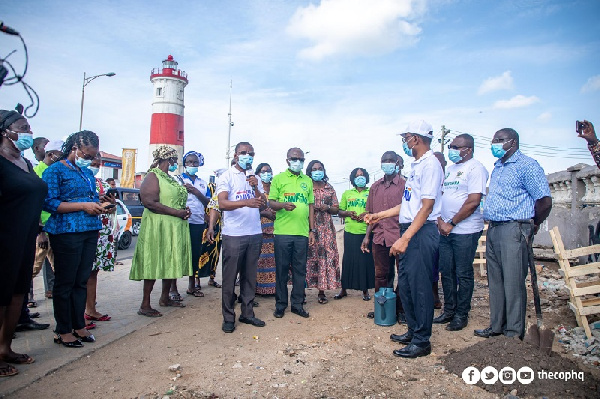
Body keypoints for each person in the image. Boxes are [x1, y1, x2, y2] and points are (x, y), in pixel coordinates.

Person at [366, 120, 443, 358]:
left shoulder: (430, 165)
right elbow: (408, 204)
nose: (405, 142)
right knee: (408, 285)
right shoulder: (417, 166)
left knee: (420, 288)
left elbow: (427, 207)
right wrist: (379, 215)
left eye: (406, 137)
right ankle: (413, 330)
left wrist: (405, 238)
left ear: (416, 139)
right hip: (410, 228)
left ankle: (422, 341)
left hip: (420, 231)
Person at [475, 128, 552, 340]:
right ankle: (497, 325)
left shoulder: (527, 165)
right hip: (495, 228)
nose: (494, 144)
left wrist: (532, 224)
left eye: (499, 140)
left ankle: (513, 332)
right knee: (496, 281)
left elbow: (544, 201)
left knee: (513, 281)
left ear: (513, 142)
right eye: (493, 140)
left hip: (515, 228)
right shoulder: (498, 167)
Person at [43, 130, 108, 347]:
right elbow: (50, 203)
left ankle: (78, 324)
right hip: (66, 232)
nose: (89, 160)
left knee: (81, 280)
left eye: (93, 157)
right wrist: (84, 206)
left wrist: (101, 203)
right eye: (87, 156)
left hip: (89, 229)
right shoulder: (55, 171)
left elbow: (86, 197)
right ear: (74, 149)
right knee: (66, 282)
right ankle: (63, 329)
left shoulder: (87, 173)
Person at [0, 110, 47, 375]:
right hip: (4, 236)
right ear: (5, 131)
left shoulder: (26, 164)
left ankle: (5, 347)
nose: (27, 131)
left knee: (19, 291)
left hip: (26, 235)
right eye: (22, 127)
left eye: (29, 126)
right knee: (1, 293)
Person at [433, 134, 488, 332]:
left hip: (465, 230)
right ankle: (449, 311)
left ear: (468, 150)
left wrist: (452, 223)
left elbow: (473, 201)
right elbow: (438, 197)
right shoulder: (448, 170)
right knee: (446, 272)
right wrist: (440, 221)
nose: (452, 149)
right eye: (451, 146)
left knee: (463, 273)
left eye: (456, 146)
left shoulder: (476, 169)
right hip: (444, 230)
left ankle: (461, 314)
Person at [129, 145, 192, 317]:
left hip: (174, 225)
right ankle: (145, 304)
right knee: (154, 260)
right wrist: (176, 212)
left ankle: (165, 297)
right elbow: (150, 202)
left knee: (170, 260)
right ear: (168, 159)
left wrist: (183, 210)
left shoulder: (170, 178)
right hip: (158, 225)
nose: (175, 163)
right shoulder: (153, 176)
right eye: (174, 160)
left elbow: (172, 198)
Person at [213, 142, 266, 333]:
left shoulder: (255, 178)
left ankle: (247, 313)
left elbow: (263, 204)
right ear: (235, 155)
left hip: (254, 233)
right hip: (234, 235)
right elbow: (222, 203)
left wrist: (256, 188)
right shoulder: (226, 176)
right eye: (243, 153)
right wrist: (246, 202)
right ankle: (228, 317)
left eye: (251, 153)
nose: (247, 156)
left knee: (250, 277)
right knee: (229, 278)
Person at [269, 148, 315, 319]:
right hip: (282, 233)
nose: (298, 161)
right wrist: (283, 205)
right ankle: (280, 305)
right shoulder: (278, 179)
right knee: (281, 270)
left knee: (299, 271)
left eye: (301, 159)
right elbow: (271, 203)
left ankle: (297, 304)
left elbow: (310, 206)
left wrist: (311, 230)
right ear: (287, 160)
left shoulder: (307, 180)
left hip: (302, 233)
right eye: (294, 158)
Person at [361, 151, 405, 319]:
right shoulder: (375, 187)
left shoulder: (404, 185)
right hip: (379, 237)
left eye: (390, 161)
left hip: (400, 237)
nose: (387, 163)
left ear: (397, 163)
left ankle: (400, 309)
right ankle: (382, 307)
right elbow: (371, 214)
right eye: (384, 161)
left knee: (403, 274)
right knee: (381, 275)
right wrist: (367, 236)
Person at [171, 151, 210, 299]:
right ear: (184, 163)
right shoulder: (177, 179)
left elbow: (208, 202)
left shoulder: (202, 183)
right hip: (182, 221)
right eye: (189, 162)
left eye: (195, 163)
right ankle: (173, 288)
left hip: (198, 222)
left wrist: (195, 192)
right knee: (178, 254)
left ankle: (191, 286)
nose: (192, 165)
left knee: (195, 254)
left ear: (199, 164)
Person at [84, 154, 117, 323]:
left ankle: (90, 309)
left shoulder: (101, 183)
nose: (95, 166)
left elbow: (111, 208)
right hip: (85, 229)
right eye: (92, 163)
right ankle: (79, 314)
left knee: (93, 272)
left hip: (101, 231)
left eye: (98, 164)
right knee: (81, 273)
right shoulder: (79, 181)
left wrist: (111, 205)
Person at [335, 167, 375, 302]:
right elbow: (340, 211)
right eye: (357, 175)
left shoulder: (371, 192)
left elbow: (375, 211)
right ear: (353, 178)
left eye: (362, 175)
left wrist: (366, 213)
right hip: (350, 231)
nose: (360, 177)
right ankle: (344, 289)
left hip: (365, 231)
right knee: (348, 260)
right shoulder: (347, 193)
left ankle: (365, 290)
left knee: (364, 261)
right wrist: (348, 213)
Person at [31, 140, 63, 301]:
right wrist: (40, 232)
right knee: (33, 267)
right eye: (60, 155)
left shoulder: (55, 172)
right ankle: (22, 302)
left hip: (54, 227)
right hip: (43, 229)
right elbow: (33, 204)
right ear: (51, 154)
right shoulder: (38, 173)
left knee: (60, 268)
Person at [305, 160, 340, 304]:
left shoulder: (329, 188)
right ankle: (302, 292)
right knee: (307, 258)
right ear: (309, 171)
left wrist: (328, 208)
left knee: (325, 258)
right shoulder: (305, 186)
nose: (317, 171)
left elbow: (336, 208)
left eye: (320, 168)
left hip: (326, 229)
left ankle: (321, 291)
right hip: (307, 227)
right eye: (314, 169)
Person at [200, 169, 227, 289]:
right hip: (208, 224)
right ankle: (196, 280)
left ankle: (212, 277)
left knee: (216, 253)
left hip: (222, 227)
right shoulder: (211, 187)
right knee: (203, 251)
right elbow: (210, 204)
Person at [255, 163, 277, 296]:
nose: (266, 174)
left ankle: (272, 289)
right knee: (260, 261)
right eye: (263, 171)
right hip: (258, 230)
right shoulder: (256, 191)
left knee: (273, 261)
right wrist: (264, 213)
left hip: (275, 230)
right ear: (258, 174)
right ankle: (258, 290)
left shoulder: (275, 190)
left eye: (269, 171)